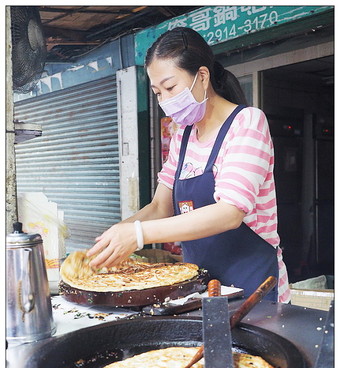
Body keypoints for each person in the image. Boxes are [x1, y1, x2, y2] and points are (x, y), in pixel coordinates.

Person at [87, 27, 290, 303]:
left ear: (202, 76)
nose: (164, 101)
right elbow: (161, 205)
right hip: (199, 290)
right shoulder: (182, 135)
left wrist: (137, 234)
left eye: (170, 87)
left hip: (254, 288)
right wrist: (112, 239)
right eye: (157, 92)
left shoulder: (247, 123)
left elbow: (230, 212)